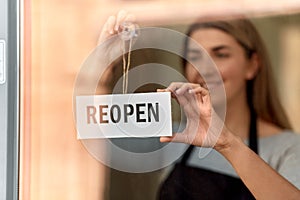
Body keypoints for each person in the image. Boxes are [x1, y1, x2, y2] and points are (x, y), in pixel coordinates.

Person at [98, 11, 300, 199]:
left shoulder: (288, 148)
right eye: (195, 57)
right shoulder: (170, 136)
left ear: (252, 65)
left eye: (220, 54)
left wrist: (228, 144)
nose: (205, 68)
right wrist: (100, 71)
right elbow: (89, 137)